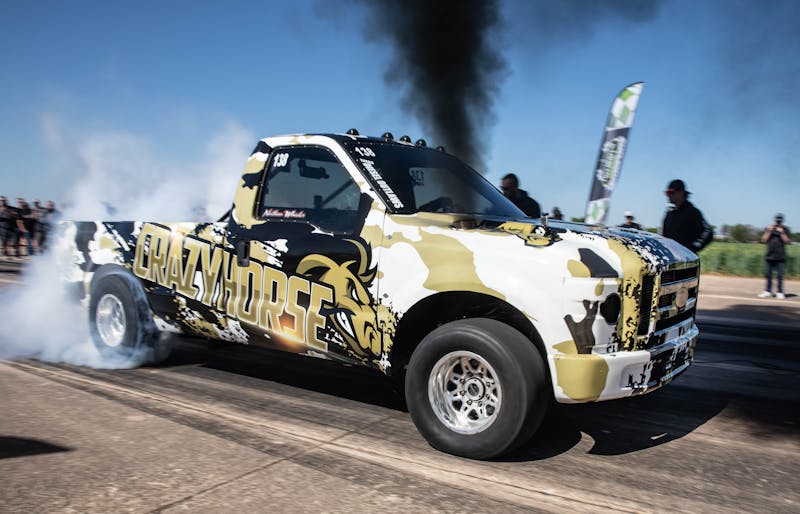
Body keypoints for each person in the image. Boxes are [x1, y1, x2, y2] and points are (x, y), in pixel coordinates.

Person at [661, 179, 713, 252]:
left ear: (681, 193)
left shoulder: (693, 212)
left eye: (670, 192)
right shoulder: (669, 214)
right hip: (671, 256)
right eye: (667, 193)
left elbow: (707, 231)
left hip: (686, 257)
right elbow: (664, 237)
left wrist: (692, 248)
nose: (668, 195)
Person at [758, 213, 791, 300]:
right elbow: (763, 240)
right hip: (769, 255)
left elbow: (787, 241)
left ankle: (780, 292)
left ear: (782, 220)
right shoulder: (770, 228)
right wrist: (769, 231)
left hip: (780, 256)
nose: (778, 221)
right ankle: (767, 291)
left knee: (780, 276)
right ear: (775, 220)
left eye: (780, 220)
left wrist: (782, 232)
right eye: (777, 219)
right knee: (768, 275)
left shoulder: (785, 229)